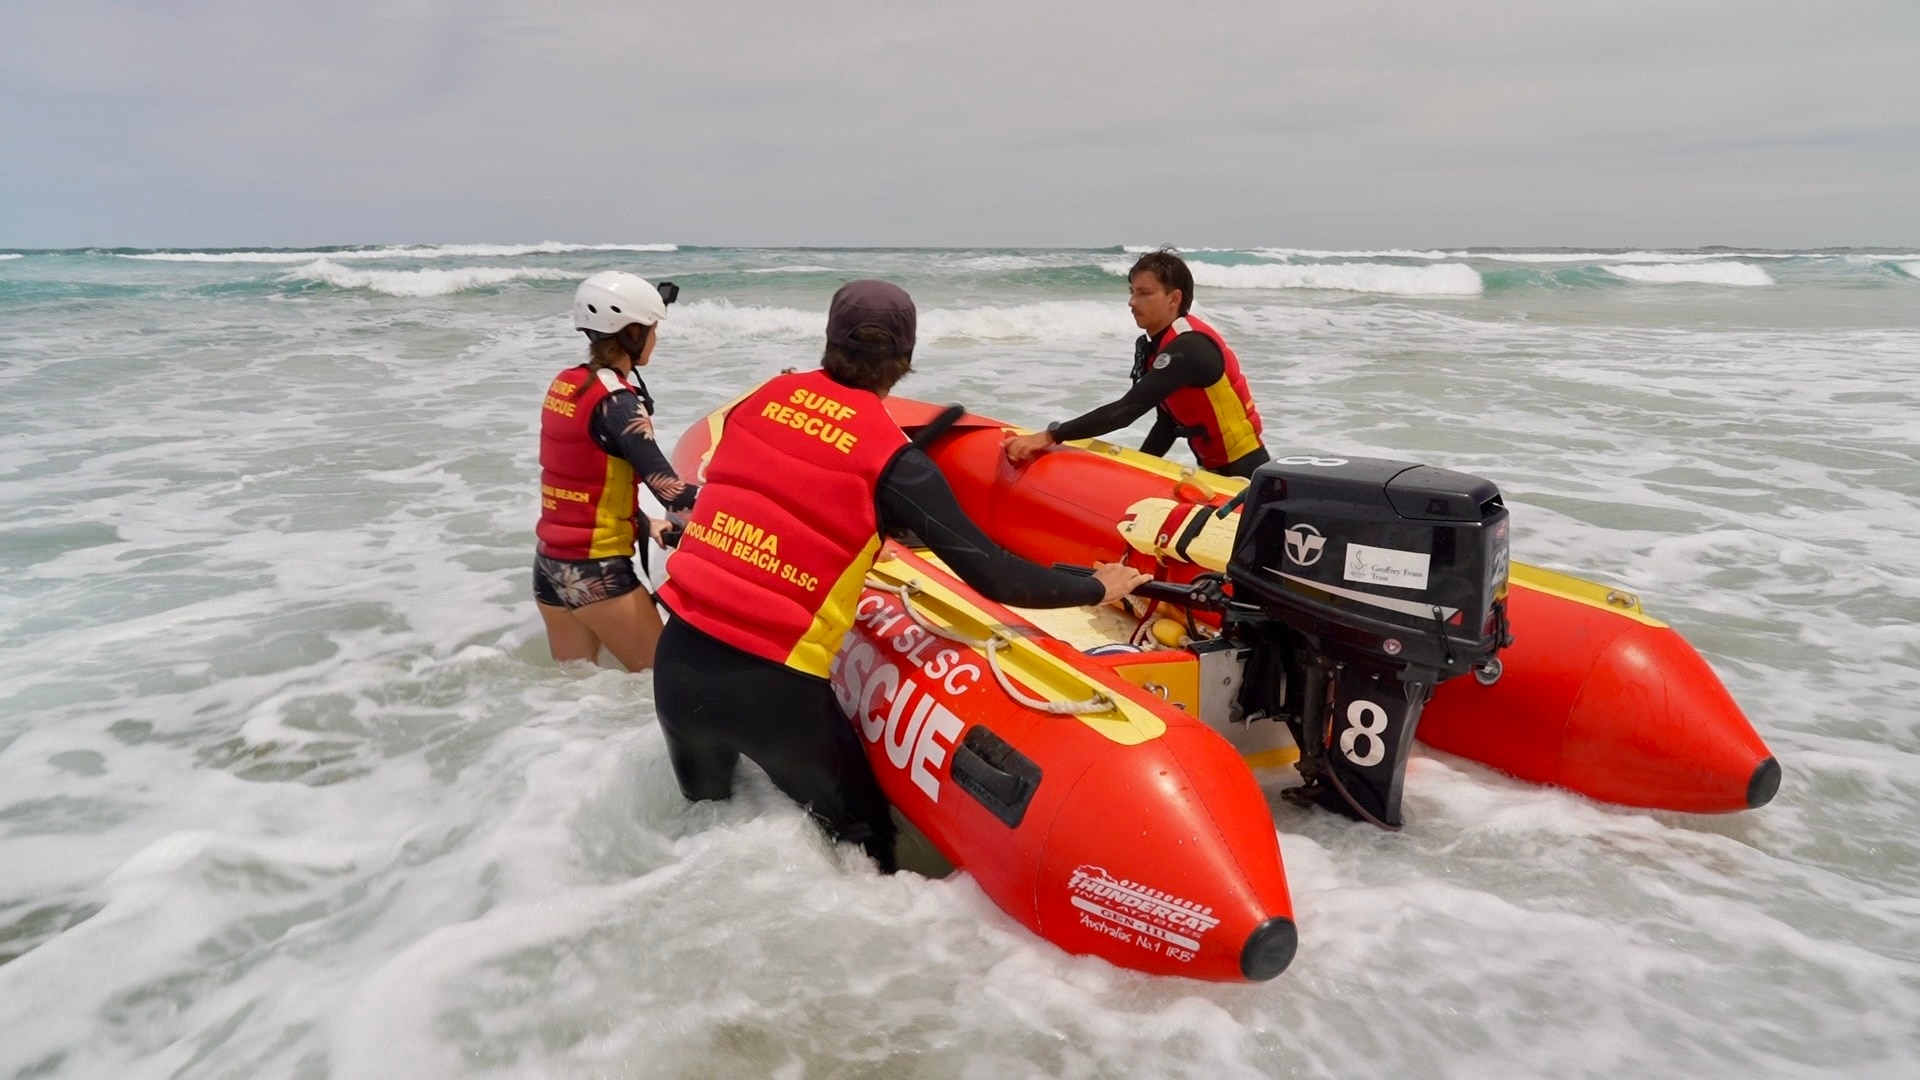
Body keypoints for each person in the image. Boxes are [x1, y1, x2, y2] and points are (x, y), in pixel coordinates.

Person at [654, 280, 1149, 871]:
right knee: (867, 854)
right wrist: (1100, 586)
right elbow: (996, 577)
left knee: (704, 841)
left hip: (677, 664)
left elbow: (775, 486)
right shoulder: (894, 461)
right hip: (773, 689)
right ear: (907, 360)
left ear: (829, 340)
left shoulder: (759, 400)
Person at [533, 271, 699, 672]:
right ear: (632, 334)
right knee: (663, 685)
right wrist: (754, 507)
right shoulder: (619, 404)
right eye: (653, 329)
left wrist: (643, 523)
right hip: (597, 575)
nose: (656, 339)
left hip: (550, 570)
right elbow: (673, 493)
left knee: (577, 695)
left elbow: (578, 477)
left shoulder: (566, 385)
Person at [1002, 248, 1270, 478]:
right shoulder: (1157, 346)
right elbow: (1167, 423)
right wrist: (1141, 469)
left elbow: (1125, 411)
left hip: (1243, 473)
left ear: (1174, 299)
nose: (1132, 302)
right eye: (1132, 292)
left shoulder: (1188, 347)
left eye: (1144, 293)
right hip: (1216, 472)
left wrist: (1051, 435)